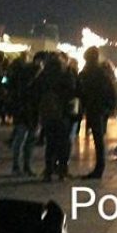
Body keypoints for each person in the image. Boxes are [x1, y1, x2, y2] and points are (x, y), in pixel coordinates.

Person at [76, 47, 115, 180]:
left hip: (94, 108)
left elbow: (81, 91)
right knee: (99, 140)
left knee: (98, 140)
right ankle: (99, 167)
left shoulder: (88, 72)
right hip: (100, 109)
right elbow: (110, 92)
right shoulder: (101, 72)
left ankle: (99, 169)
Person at [37, 53, 76, 181]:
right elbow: (72, 92)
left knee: (50, 144)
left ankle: (48, 171)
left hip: (48, 114)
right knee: (63, 144)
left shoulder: (44, 75)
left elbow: (36, 89)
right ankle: (62, 172)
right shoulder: (66, 75)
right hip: (62, 113)